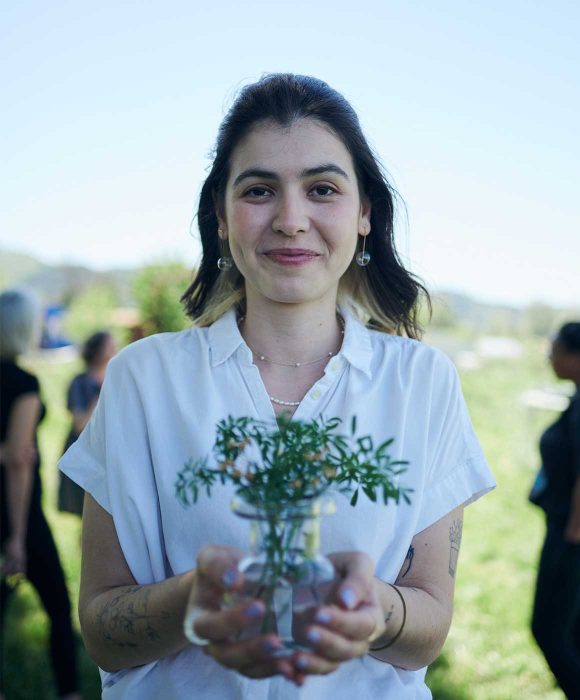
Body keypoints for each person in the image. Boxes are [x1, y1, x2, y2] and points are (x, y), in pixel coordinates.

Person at [59, 74, 495, 699]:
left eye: (322, 189)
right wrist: (192, 602)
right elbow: (102, 629)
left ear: (365, 212)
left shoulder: (422, 383)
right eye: (260, 190)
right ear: (220, 215)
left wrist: (373, 609)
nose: (292, 220)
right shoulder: (143, 378)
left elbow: (430, 625)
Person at [0, 289, 81, 700]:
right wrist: (15, 535)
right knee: (58, 608)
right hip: (17, 512)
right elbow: (19, 461)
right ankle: (69, 692)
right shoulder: (23, 383)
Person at [530, 322, 580, 700]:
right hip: (579, 532)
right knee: (576, 630)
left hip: (575, 533)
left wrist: (573, 542)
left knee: (549, 631)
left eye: (555, 349)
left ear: (578, 356)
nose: (549, 357)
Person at [58, 331, 116, 516]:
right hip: (84, 451)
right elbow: (79, 425)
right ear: (97, 350)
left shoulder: (115, 379)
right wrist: (98, 400)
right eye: (109, 344)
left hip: (109, 455)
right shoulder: (80, 382)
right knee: (83, 512)